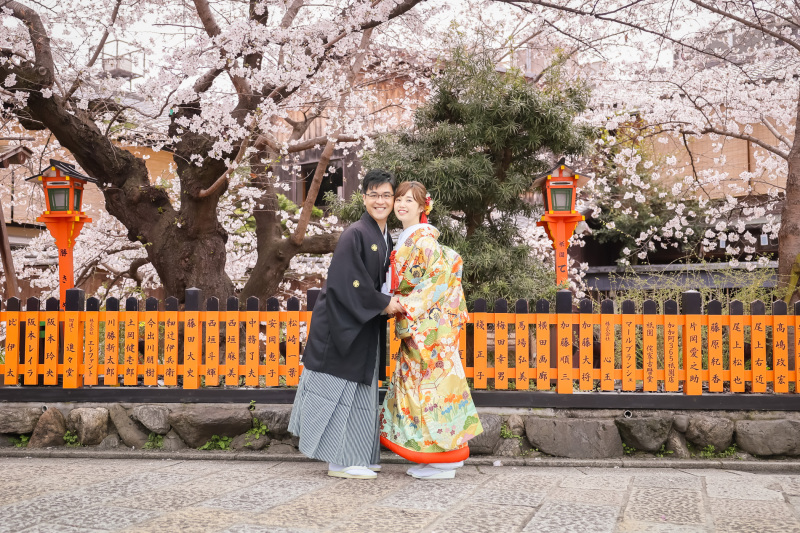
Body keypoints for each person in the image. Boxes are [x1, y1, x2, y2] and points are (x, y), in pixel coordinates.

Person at [288, 169, 404, 480]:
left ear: (393, 199)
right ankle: (339, 461)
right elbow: (349, 283)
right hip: (341, 325)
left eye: (386, 195)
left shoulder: (383, 235)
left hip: (361, 324)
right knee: (340, 392)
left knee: (361, 393)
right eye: (374, 195)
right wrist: (383, 303)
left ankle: (360, 456)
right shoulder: (355, 233)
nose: (380, 201)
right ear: (364, 198)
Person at [379, 181, 483, 480]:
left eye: (410, 200)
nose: (402, 204)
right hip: (424, 327)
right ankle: (432, 455)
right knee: (423, 391)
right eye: (399, 199)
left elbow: (436, 282)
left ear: (424, 205)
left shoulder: (423, 241)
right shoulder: (409, 239)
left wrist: (402, 304)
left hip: (428, 329)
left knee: (432, 391)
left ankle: (445, 459)